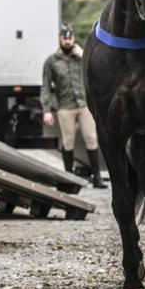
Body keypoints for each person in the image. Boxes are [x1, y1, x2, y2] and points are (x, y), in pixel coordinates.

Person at [41, 24, 105, 188]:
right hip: (65, 105)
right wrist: (47, 110)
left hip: (84, 104)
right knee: (67, 141)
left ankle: (97, 177)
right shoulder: (51, 61)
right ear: (60, 39)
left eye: (70, 38)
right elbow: (46, 86)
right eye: (65, 38)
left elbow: (98, 70)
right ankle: (68, 178)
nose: (68, 41)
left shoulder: (81, 56)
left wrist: (83, 55)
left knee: (91, 138)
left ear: (73, 39)